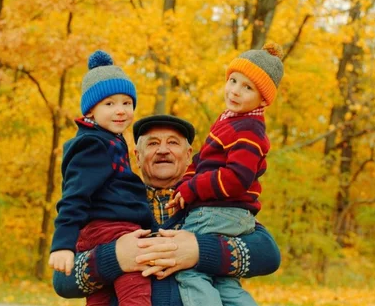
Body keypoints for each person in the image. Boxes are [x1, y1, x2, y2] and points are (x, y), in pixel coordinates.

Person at [52, 114, 281, 306]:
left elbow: (268, 253)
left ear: (189, 155)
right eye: (152, 143)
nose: (163, 150)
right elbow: (62, 281)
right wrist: (114, 258)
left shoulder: (211, 203)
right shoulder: (111, 205)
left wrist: (200, 250)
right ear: (137, 157)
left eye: (172, 142)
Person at [166, 43, 284, 306]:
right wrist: (185, 185)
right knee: (223, 280)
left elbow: (236, 178)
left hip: (218, 211)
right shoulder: (229, 121)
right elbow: (202, 161)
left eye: (247, 87)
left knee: (190, 269)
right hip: (227, 212)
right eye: (233, 80)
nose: (235, 90)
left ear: (263, 99)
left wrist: (192, 188)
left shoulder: (249, 129)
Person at [49, 50, 152, 306]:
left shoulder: (110, 140)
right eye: (109, 104)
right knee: (135, 291)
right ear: (91, 111)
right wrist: (63, 244)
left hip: (104, 230)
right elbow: (74, 196)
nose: (120, 111)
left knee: (101, 298)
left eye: (126, 103)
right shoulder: (94, 145)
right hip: (110, 230)